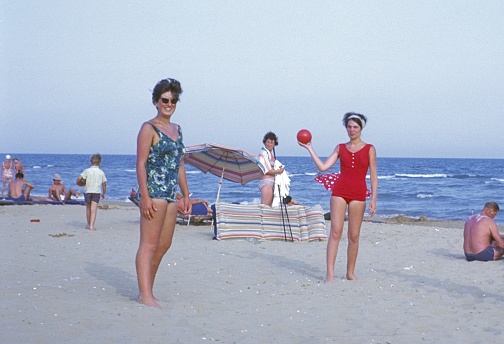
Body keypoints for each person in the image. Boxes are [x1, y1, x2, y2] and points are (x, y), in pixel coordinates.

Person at [298, 112, 377, 282]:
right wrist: (309, 148)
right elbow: (323, 166)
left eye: (355, 127)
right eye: (349, 126)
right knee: (335, 232)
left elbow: (374, 175)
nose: (351, 130)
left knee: (354, 235)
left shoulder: (370, 148)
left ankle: (350, 272)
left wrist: (373, 198)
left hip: (359, 194)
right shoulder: (340, 147)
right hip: (339, 192)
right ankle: (330, 274)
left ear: (361, 128)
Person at [135, 78, 191, 309]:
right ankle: (144, 295)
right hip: (155, 193)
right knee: (148, 245)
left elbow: (179, 164)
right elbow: (140, 163)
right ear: (156, 102)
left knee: (164, 245)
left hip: (171, 194)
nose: (169, 104)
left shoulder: (177, 129)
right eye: (165, 100)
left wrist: (186, 194)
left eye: (173, 100)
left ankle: (149, 289)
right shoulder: (148, 128)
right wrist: (145, 197)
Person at [76, 154, 107, 231]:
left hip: (87, 191)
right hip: (96, 192)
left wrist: (78, 182)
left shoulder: (87, 171)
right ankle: (91, 226)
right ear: (100, 162)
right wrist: (104, 193)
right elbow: (104, 184)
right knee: (94, 209)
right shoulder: (101, 172)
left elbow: (80, 178)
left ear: (91, 162)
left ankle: (88, 224)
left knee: (88, 208)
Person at [257, 131, 285, 206]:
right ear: (265, 142)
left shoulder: (270, 154)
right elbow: (266, 171)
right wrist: (279, 171)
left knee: (269, 206)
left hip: (271, 183)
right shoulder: (263, 153)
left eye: (271, 142)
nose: (269, 144)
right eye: (268, 142)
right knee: (265, 206)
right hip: (266, 182)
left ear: (274, 144)